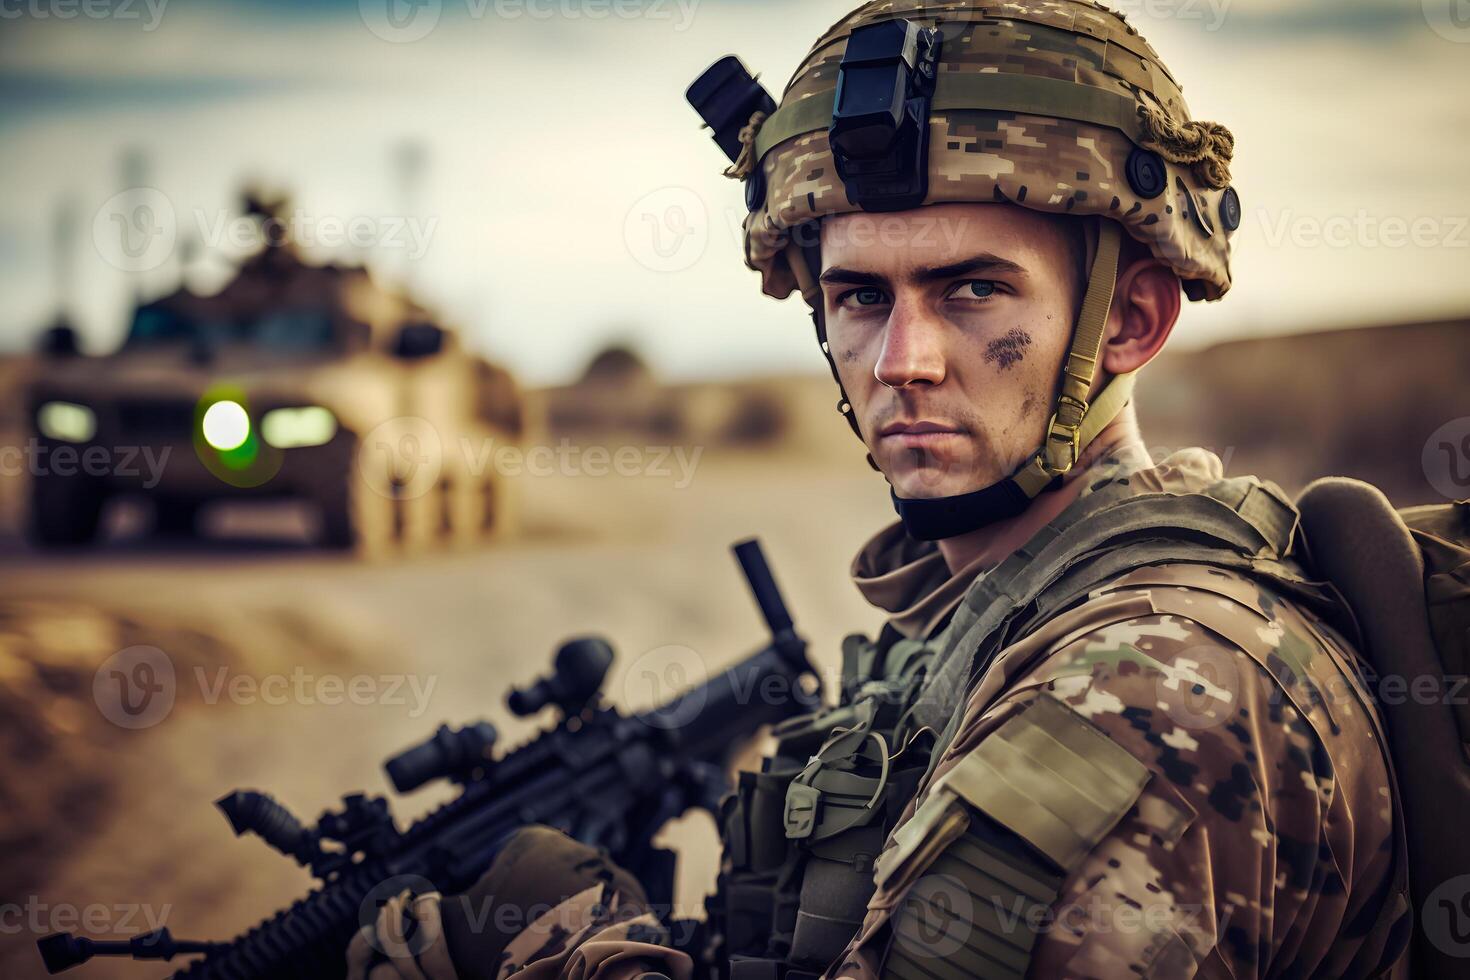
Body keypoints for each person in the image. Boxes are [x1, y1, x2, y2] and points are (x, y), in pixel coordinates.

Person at [348, 2, 1411, 977]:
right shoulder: (999, 610)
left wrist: (572, 949)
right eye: (860, 296)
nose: (903, 359)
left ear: (1130, 320)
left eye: (973, 289)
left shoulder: (1153, 693)